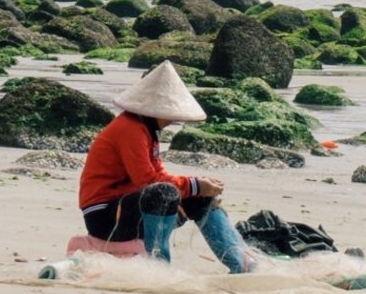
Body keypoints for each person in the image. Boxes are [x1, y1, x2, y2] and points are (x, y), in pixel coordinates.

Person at [77, 60, 255, 274]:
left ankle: (242, 262)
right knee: (165, 192)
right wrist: (194, 185)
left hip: (128, 208)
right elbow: (147, 181)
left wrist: (197, 189)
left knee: (199, 197)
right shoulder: (130, 128)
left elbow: (157, 175)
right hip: (105, 217)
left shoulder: (145, 129)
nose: (172, 119)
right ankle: (158, 265)